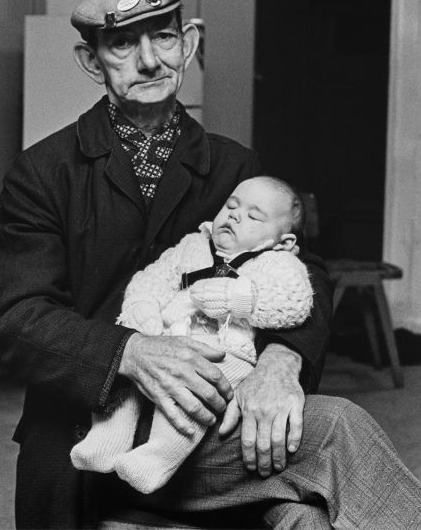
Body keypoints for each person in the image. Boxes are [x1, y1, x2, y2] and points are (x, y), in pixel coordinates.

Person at [0, 0, 421, 529]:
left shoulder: (235, 165)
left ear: (188, 43)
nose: (148, 60)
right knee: (334, 430)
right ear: (92, 62)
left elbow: (302, 269)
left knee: (303, 519)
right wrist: (131, 353)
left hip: (217, 416)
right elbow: (17, 319)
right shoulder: (43, 173)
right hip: (94, 426)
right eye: (122, 43)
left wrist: (283, 361)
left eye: (163, 37)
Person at [70, 175, 314, 494]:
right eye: (231, 205)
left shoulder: (276, 262)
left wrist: (240, 298)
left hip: (228, 354)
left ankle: (159, 457)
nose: (236, 215)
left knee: (193, 393)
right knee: (122, 373)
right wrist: (141, 307)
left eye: (254, 216)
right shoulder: (191, 246)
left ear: (283, 241)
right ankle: (105, 440)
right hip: (166, 340)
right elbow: (153, 278)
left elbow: (294, 300)